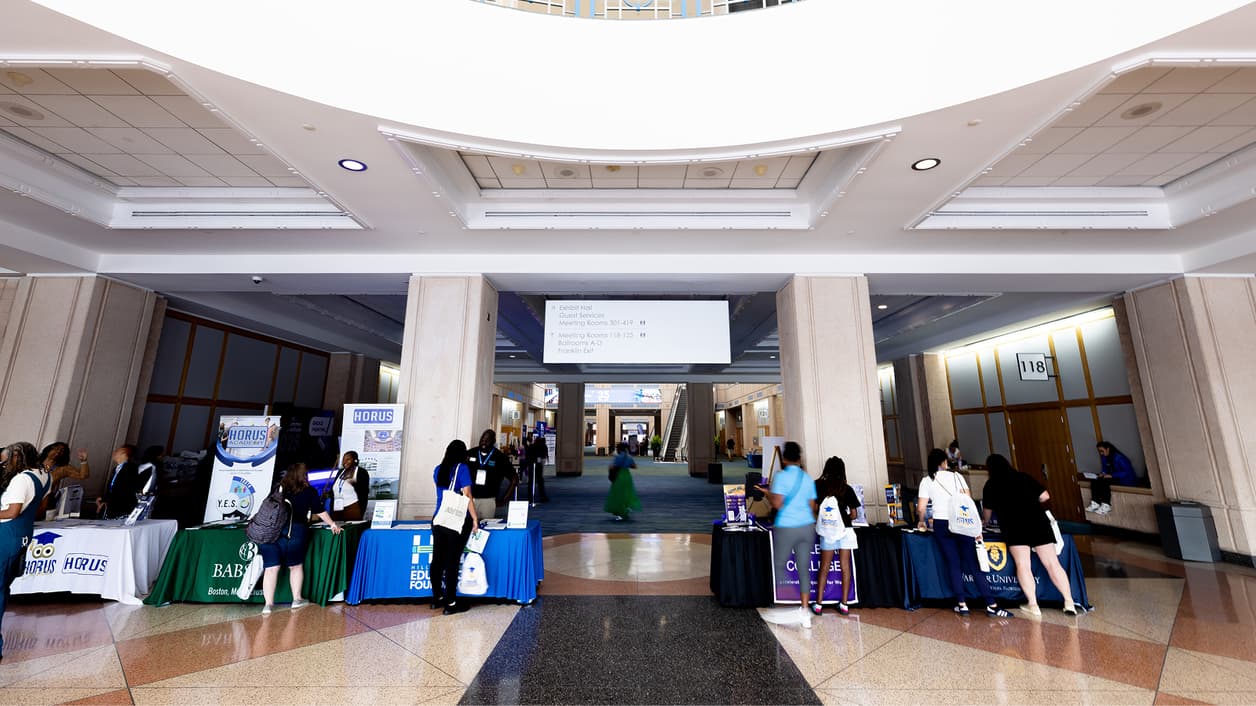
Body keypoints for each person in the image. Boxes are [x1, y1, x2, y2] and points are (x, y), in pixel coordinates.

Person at [917, 448, 1013, 618]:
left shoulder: (927, 480)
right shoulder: (957, 477)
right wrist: (976, 526)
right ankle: (991, 604)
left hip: (941, 523)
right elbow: (968, 502)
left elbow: (921, 507)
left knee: (953, 564)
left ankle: (962, 604)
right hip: (962, 522)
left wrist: (922, 521)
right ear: (944, 462)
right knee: (973, 564)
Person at [981, 454, 1077, 617]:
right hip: (1038, 522)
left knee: (1023, 565)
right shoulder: (1023, 477)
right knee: (1052, 563)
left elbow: (987, 515)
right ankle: (1069, 601)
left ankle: (1033, 605)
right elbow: (1045, 496)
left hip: (1013, 526)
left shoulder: (991, 484)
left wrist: (986, 521)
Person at [258, 463, 341, 616]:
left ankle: (268, 605)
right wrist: (332, 524)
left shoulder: (278, 488)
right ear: (303, 475)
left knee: (270, 569)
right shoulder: (308, 491)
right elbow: (319, 510)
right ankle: (296, 599)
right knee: (295, 566)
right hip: (294, 531)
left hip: (269, 533)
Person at [756, 441, 817, 628]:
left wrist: (767, 493)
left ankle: (784, 604)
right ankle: (805, 611)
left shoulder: (781, 477)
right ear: (799, 458)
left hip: (787, 527)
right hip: (806, 526)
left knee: (780, 565)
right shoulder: (807, 478)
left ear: (784, 458)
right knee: (804, 569)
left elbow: (777, 504)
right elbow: (813, 506)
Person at [0, 442, 50, 659]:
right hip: (22, 534)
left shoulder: (21, 479)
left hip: (8, 534)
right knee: (3, 586)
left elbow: (12, 511)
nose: (4, 463)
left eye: (6, 459)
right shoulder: (44, 476)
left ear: (16, 457)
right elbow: (40, 509)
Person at [432, 439, 479, 615]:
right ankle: (451, 603)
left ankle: (437, 598)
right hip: (456, 521)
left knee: (437, 560)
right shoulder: (462, 468)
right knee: (452, 561)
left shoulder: (438, 469)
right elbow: (467, 495)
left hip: (438, 518)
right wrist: (474, 519)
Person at [811, 456, 860, 617]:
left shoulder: (818, 485)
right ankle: (844, 604)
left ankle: (818, 604)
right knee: (845, 567)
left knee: (824, 567)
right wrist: (845, 518)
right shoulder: (847, 488)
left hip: (828, 531)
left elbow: (813, 508)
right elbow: (854, 514)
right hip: (845, 530)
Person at [467, 430, 516, 521]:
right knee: (468, 528)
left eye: (487, 440)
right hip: (470, 498)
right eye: (482, 440)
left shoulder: (500, 457)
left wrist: (504, 500)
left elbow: (514, 479)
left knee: (486, 528)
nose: (483, 442)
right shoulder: (470, 453)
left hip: (488, 500)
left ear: (493, 441)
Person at [1088, 441, 1137, 515]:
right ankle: (1095, 503)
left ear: (1108, 449)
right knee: (1095, 480)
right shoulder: (1104, 457)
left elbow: (1127, 472)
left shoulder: (1120, 458)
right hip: (1114, 477)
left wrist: (1112, 475)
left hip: (1125, 480)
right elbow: (1105, 468)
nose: (1101, 453)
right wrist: (1103, 473)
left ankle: (1106, 505)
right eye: (1099, 451)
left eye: (1102, 451)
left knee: (1105, 481)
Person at [96, 445, 141, 520]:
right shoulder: (116, 469)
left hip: (122, 508)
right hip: (113, 507)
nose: (114, 453)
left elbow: (123, 489)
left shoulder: (131, 469)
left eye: (117, 451)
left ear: (124, 453)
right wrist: (103, 499)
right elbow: (112, 487)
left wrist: (106, 499)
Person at [323, 451, 369, 521]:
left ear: (355, 460)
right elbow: (336, 488)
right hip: (337, 508)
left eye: (348, 459)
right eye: (343, 459)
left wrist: (353, 483)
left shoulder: (361, 472)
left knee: (350, 530)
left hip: (352, 508)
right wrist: (329, 494)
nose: (345, 462)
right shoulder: (340, 471)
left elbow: (364, 492)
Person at [605, 443, 642, 521]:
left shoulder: (618, 457)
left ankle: (621, 511)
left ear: (619, 449)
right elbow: (635, 466)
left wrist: (611, 469)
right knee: (627, 493)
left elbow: (612, 467)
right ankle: (626, 509)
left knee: (618, 494)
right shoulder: (629, 457)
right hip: (627, 476)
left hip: (619, 476)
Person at [528, 433, 550, 503]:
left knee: (531, 481)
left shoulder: (531, 446)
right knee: (540, 481)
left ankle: (530, 497)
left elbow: (528, 456)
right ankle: (542, 496)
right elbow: (544, 455)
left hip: (532, 465)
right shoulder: (543, 446)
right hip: (538, 465)